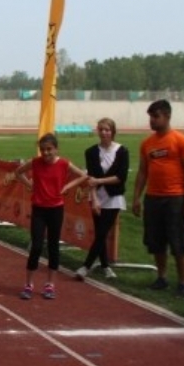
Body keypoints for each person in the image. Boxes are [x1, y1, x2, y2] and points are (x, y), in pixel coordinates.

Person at [131, 99, 184, 298]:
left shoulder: (181, 140)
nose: (152, 121)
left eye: (155, 116)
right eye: (150, 117)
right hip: (153, 198)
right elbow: (143, 172)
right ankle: (162, 277)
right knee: (156, 241)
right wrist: (137, 198)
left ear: (167, 116)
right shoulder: (147, 143)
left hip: (175, 198)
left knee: (179, 242)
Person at [15, 133, 89, 300]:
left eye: (49, 149)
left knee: (53, 246)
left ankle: (50, 284)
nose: (46, 153)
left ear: (56, 149)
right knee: (36, 246)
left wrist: (67, 186)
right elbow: (18, 172)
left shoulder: (63, 164)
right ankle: (28, 283)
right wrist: (29, 185)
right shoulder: (35, 162)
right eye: (43, 150)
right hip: (39, 209)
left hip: (56, 209)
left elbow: (83, 175)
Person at [76, 118, 129, 281]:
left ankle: (86, 266)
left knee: (102, 233)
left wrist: (100, 181)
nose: (104, 133)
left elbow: (120, 177)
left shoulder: (122, 151)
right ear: (98, 131)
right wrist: (94, 199)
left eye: (107, 130)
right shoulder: (91, 152)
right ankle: (105, 267)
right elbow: (91, 177)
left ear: (113, 132)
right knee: (100, 233)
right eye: (102, 130)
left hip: (113, 197)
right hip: (97, 196)